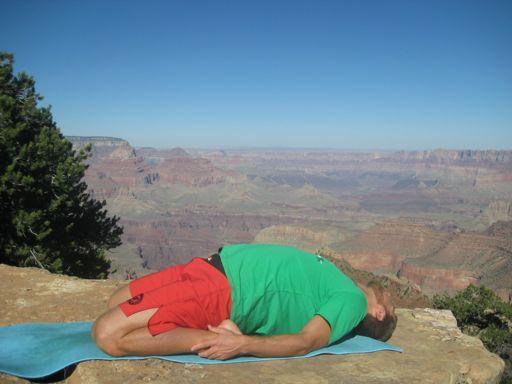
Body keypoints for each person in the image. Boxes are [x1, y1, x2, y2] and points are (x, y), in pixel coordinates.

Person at [91, 243, 396, 360]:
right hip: (209, 267)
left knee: (108, 335)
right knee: (116, 299)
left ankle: (215, 334)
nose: (391, 298)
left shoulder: (353, 301)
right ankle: (187, 324)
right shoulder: (340, 281)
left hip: (225, 290)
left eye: (391, 308)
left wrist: (242, 345)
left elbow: (306, 341)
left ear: (379, 313)